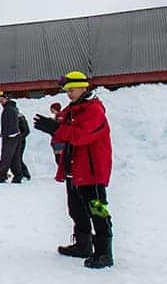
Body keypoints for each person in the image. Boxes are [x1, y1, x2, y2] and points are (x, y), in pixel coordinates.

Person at [33, 71, 114, 269]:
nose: (68, 94)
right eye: (67, 90)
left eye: (72, 89)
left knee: (98, 211)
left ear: (83, 87)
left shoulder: (94, 110)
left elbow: (82, 136)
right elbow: (64, 130)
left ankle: (104, 252)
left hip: (91, 173)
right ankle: (83, 244)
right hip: (74, 171)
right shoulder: (73, 109)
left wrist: (55, 128)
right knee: (76, 210)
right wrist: (54, 124)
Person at [0, 91, 23, 183]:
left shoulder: (9, 109)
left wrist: (7, 135)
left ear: (7, 99)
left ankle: (1, 176)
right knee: (15, 158)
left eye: (2, 99)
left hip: (11, 137)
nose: (1, 101)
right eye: (0, 99)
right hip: (14, 136)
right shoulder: (12, 108)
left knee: (6, 157)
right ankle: (18, 176)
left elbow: (12, 124)